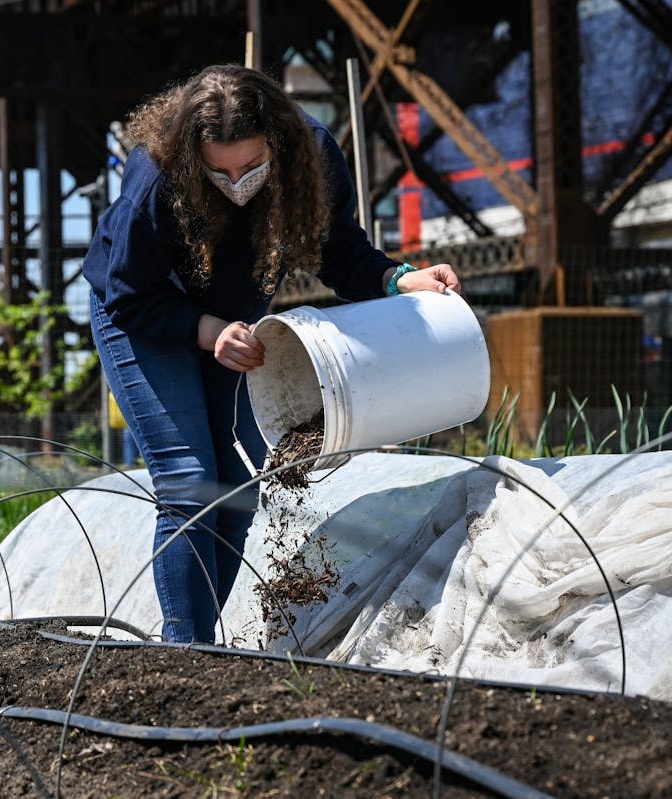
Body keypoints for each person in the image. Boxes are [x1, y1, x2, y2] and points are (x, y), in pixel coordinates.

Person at [83, 64, 461, 644]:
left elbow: (338, 251)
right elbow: (130, 293)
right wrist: (207, 331)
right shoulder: (154, 174)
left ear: (276, 143)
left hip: (236, 325)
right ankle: (185, 651)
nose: (237, 182)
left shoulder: (310, 154)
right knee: (188, 481)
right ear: (193, 155)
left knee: (234, 487)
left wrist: (397, 279)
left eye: (250, 166)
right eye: (219, 171)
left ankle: (198, 641)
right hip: (143, 317)